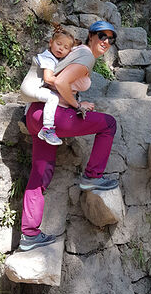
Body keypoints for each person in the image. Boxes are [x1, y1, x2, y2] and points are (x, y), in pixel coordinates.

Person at [19, 21, 118, 251]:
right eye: (102, 36)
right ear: (90, 36)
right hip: (53, 116)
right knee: (108, 124)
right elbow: (62, 83)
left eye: (111, 39)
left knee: (40, 174)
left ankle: (29, 235)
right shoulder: (85, 56)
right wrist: (78, 105)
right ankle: (93, 176)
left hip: (36, 114)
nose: (106, 42)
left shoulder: (75, 53)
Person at [20, 25, 75, 146]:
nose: (61, 48)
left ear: (69, 52)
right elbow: (48, 78)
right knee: (53, 97)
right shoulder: (48, 58)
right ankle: (48, 129)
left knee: (44, 93)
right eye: (59, 44)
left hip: (28, 90)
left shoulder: (52, 58)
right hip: (30, 89)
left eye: (65, 47)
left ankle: (25, 118)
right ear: (51, 42)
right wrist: (64, 85)